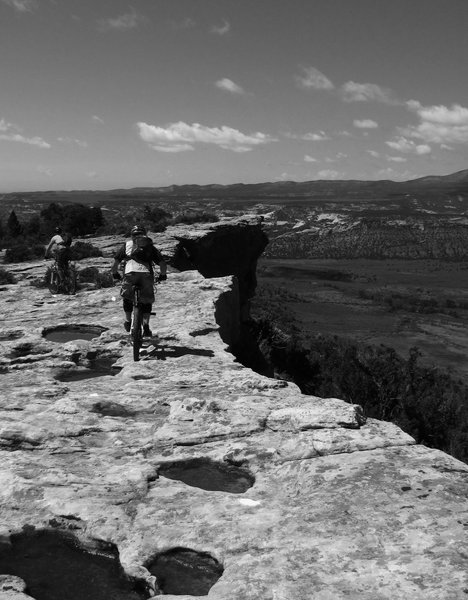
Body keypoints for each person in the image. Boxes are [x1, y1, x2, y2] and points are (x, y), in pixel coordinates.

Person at [111, 224, 167, 337]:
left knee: (127, 297)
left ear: (132, 235)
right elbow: (162, 263)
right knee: (146, 300)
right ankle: (145, 325)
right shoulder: (150, 246)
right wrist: (163, 275)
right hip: (146, 275)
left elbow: (115, 263)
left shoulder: (127, 245)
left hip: (130, 274)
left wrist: (115, 273)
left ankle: (128, 321)